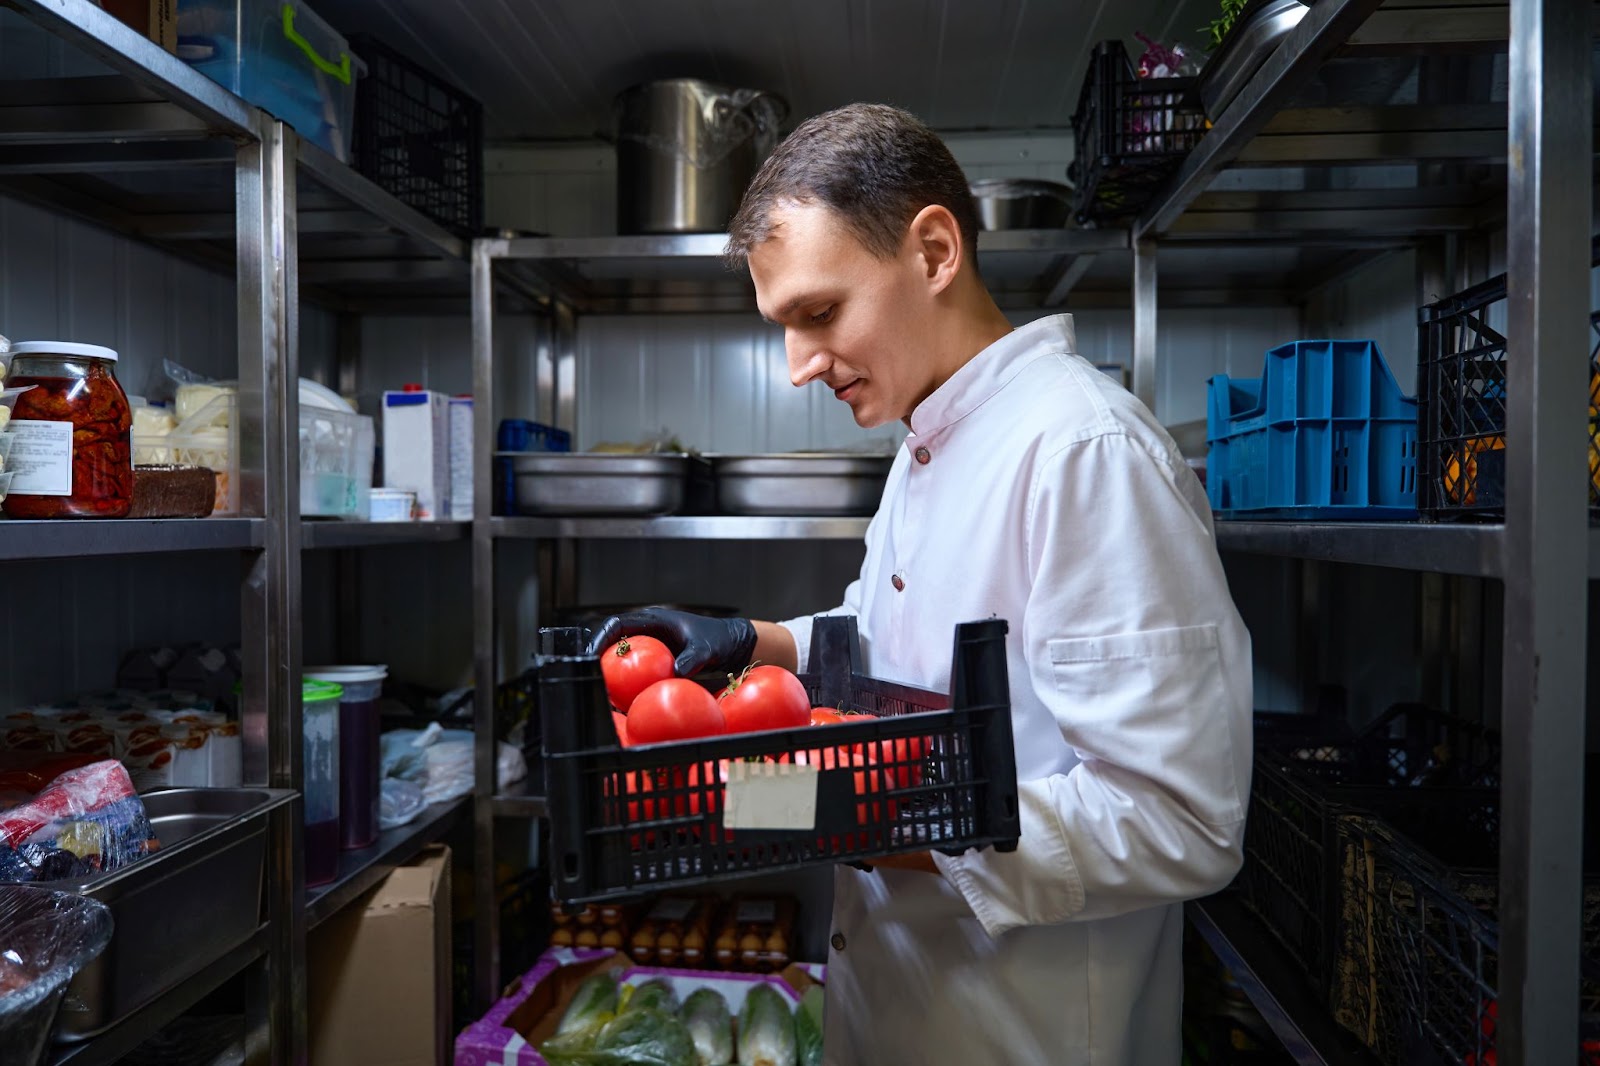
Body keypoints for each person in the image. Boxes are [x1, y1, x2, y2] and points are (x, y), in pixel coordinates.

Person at [587, 103, 1252, 1066]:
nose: (797, 366)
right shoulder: (928, 441)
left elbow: (1182, 819)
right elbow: (890, 638)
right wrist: (751, 644)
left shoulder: (1084, 452)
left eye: (818, 314)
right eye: (782, 327)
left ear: (935, 251)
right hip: (899, 1010)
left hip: (1025, 1033)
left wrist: (846, 813)